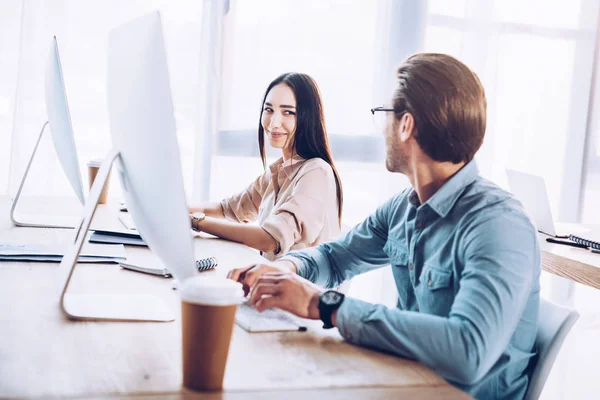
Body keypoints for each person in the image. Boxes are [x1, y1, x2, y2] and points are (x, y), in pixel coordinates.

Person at [227, 54, 540, 400]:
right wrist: (284, 269)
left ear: (406, 125)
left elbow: (468, 351)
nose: (382, 128)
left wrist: (324, 304)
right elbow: (335, 257)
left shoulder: (498, 225)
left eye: (384, 115)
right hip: (402, 382)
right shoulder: (404, 208)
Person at [189, 72, 343, 261]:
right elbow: (226, 210)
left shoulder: (317, 172)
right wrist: (177, 210)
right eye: (269, 109)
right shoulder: (278, 171)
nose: (273, 122)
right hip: (270, 283)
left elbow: (270, 239)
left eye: (288, 112)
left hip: (300, 288)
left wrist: (197, 222)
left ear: (307, 117)